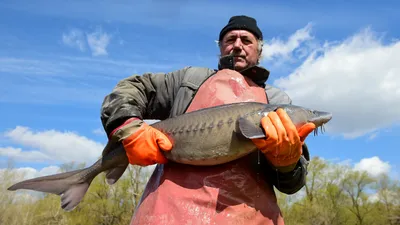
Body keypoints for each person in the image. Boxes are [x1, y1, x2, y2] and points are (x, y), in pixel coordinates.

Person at [100, 15, 316, 225]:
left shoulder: (277, 100)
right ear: (221, 47)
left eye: (246, 40)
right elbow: (133, 88)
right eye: (230, 40)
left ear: (259, 50)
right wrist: (128, 128)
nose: (238, 45)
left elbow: (292, 184)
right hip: (168, 215)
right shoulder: (188, 80)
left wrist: (288, 164)